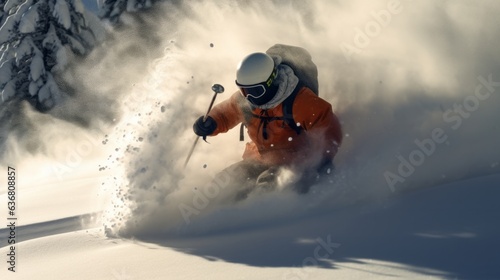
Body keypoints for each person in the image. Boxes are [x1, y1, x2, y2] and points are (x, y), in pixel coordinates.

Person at [193, 47, 342, 200]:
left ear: (271, 82)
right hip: (258, 159)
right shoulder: (246, 101)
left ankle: (259, 219)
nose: (250, 97)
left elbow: (326, 126)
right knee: (222, 184)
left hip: (294, 162)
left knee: (266, 186)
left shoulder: (299, 100)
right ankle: (213, 219)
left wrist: (322, 159)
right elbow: (226, 114)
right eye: (244, 90)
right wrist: (210, 122)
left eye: (256, 91)